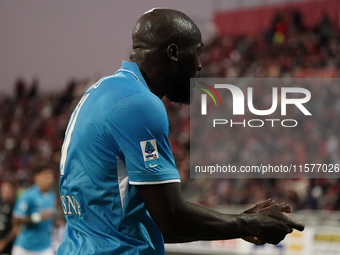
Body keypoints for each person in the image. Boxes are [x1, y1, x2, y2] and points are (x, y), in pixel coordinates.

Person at [57, 8, 304, 255]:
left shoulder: (100, 92)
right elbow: (171, 220)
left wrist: (239, 222)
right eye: (196, 53)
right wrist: (252, 224)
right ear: (174, 53)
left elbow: (149, 223)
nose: (199, 65)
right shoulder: (139, 104)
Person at [12, 166, 56, 255]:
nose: (49, 180)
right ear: (37, 177)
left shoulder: (52, 196)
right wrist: (38, 217)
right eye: (46, 176)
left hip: (45, 247)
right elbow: (16, 219)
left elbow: (48, 218)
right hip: (25, 248)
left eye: (51, 177)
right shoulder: (27, 195)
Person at [0, 181, 17, 255]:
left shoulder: (16, 206)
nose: (5, 193)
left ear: (12, 191)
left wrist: (4, 242)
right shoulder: (1, 203)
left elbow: (16, 228)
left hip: (8, 247)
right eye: (3, 190)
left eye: (7, 191)